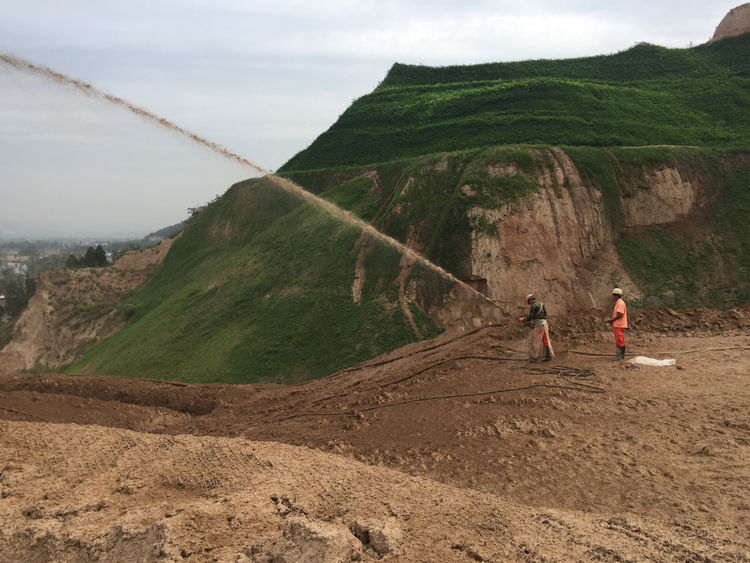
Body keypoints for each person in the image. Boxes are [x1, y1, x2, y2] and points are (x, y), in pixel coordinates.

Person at [518, 293, 554, 362]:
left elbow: (530, 317)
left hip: (539, 325)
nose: (529, 304)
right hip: (545, 324)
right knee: (546, 340)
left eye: (529, 302)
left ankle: (534, 357)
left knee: (536, 340)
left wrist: (523, 319)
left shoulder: (533, 306)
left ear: (530, 300)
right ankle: (548, 357)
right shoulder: (541, 304)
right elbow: (545, 314)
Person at [609, 288, 628, 360]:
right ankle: (621, 356)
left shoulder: (620, 303)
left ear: (617, 295)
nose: (612, 297)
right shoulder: (619, 302)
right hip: (620, 324)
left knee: (619, 340)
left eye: (613, 295)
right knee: (621, 340)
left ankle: (619, 356)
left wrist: (612, 320)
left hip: (619, 325)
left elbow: (620, 314)